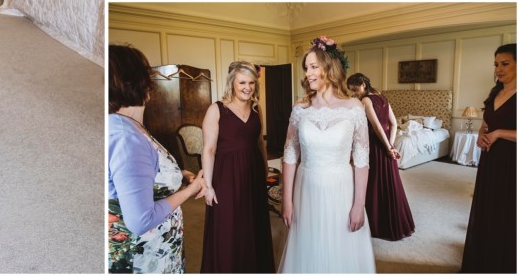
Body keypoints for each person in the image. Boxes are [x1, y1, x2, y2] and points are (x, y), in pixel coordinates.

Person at [278, 36, 375, 273]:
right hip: (306, 189)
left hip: (340, 189)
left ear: (329, 68)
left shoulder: (354, 108)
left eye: (313, 67)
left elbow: (362, 161)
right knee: (308, 249)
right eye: (306, 68)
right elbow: (290, 155)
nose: (307, 73)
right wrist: (287, 200)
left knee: (340, 249)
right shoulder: (300, 109)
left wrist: (359, 205)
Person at [108, 44, 206, 273]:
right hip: (143, 258)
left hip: (160, 249)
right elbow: (141, 220)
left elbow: (142, 175)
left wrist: (181, 175)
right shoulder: (126, 138)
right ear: (138, 82)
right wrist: (190, 191)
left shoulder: (132, 127)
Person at [200, 62, 275, 273]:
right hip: (225, 178)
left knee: (253, 226)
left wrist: (265, 170)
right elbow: (209, 149)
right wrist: (208, 186)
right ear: (232, 82)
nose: (247, 87)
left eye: (251, 83)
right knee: (228, 228)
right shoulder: (216, 109)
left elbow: (260, 143)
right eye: (242, 82)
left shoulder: (256, 108)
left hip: (252, 175)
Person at [461, 43, 517, 273]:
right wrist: (481, 135)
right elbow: (486, 124)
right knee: (489, 208)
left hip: (512, 162)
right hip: (491, 160)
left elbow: (499, 129)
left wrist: (500, 133)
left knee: (508, 211)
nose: (499, 69)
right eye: (496, 64)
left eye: (505, 64)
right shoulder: (496, 93)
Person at [347, 73, 415, 240]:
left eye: (355, 89)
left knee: (373, 183)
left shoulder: (366, 101)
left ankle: (377, 225)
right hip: (385, 147)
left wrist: (387, 148)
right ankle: (394, 222)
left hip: (375, 146)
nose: (354, 94)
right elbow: (393, 124)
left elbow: (377, 127)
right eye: (352, 91)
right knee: (388, 183)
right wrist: (390, 147)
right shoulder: (383, 97)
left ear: (363, 84)